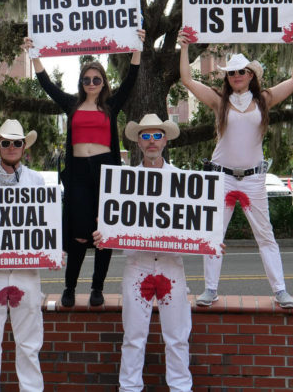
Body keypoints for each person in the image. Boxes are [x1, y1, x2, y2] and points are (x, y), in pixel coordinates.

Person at [177, 29, 293, 309]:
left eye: (242, 72)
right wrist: (184, 47)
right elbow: (187, 79)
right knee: (214, 236)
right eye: (232, 73)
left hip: (253, 180)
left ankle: (280, 290)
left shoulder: (264, 100)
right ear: (227, 78)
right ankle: (210, 289)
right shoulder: (219, 101)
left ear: (251, 75)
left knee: (265, 235)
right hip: (222, 177)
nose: (236, 77)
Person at [22, 29, 145, 307]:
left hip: (105, 171)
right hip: (77, 172)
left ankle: (97, 288)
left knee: (104, 232)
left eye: (97, 79)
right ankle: (69, 287)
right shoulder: (72, 104)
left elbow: (132, 78)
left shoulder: (111, 105)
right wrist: (34, 53)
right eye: (87, 79)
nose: (91, 83)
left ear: (103, 82)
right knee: (79, 233)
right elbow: (46, 84)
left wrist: (137, 45)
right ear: (82, 82)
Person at [93, 113, 193, 392]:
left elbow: (196, 224)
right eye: (146, 136)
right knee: (134, 336)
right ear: (138, 142)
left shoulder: (182, 181)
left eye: (156, 135)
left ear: (165, 141)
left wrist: (209, 240)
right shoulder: (124, 181)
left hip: (172, 265)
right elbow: (111, 222)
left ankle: (181, 388)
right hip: (137, 265)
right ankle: (129, 388)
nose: (151, 141)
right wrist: (104, 235)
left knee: (177, 336)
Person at [0, 119, 49, 392]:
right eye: (6, 142)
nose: (12, 147)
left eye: (17, 142)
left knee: (28, 344)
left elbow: (46, 224)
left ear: (24, 146)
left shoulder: (37, 180)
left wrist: (54, 251)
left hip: (26, 272)